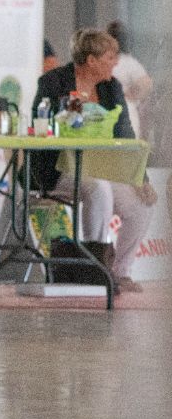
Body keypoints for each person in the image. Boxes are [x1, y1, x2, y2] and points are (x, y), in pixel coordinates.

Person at [30, 28, 156, 293]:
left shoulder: (111, 88)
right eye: (110, 57)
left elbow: (125, 133)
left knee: (141, 206)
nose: (116, 63)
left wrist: (139, 178)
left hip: (102, 166)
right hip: (59, 168)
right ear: (91, 60)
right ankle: (94, 267)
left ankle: (119, 271)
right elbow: (41, 124)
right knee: (98, 189)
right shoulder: (54, 82)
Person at [107, 21, 153, 139]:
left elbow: (146, 84)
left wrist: (127, 96)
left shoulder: (128, 62)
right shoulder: (125, 62)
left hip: (126, 111)